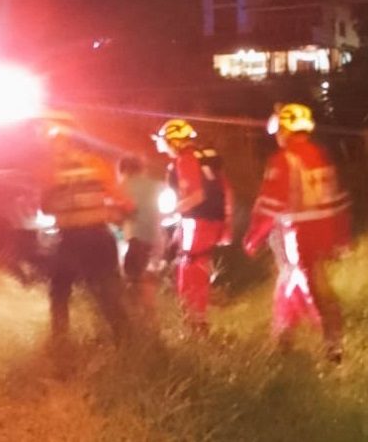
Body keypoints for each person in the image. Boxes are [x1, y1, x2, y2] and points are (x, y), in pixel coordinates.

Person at [242, 103, 352, 363]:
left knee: (308, 286)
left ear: (285, 129)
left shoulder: (282, 160)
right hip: (323, 231)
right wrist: (341, 238)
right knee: (299, 284)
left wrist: (253, 237)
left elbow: (270, 203)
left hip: (297, 234)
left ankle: (328, 346)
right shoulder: (320, 155)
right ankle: (286, 338)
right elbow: (337, 199)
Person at [40, 122, 132, 343]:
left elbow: (45, 207)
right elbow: (123, 201)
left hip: (70, 238)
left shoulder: (52, 171)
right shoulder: (97, 165)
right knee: (107, 292)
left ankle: (60, 341)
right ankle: (125, 340)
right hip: (99, 236)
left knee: (59, 293)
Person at [152, 119, 233, 334]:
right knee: (193, 267)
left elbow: (197, 196)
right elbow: (226, 191)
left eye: (165, 141)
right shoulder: (205, 159)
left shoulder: (185, 161)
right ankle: (197, 321)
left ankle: (195, 324)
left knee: (190, 270)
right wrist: (225, 225)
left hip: (197, 223)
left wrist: (169, 212)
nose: (163, 146)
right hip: (208, 222)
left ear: (173, 141)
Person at [117, 155, 164, 325]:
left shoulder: (121, 187)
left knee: (133, 281)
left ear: (123, 171)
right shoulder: (157, 186)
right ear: (143, 169)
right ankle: (152, 321)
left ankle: (139, 322)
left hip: (135, 239)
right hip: (157, 240)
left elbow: (116, 214)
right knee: (149, 279)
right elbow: (167, 210)